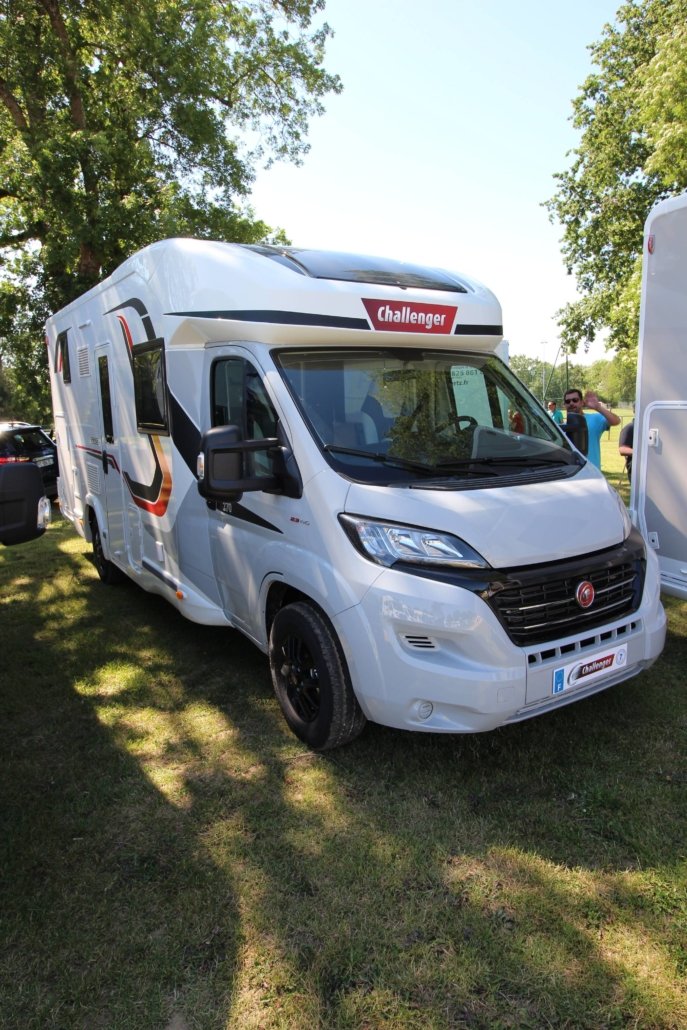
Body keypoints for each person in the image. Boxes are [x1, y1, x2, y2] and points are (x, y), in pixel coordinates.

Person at [562, 388, 620, 468]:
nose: (571, 403)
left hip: (592, 472)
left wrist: (598, 407)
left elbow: (616, 421)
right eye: (568, 401)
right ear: (564, 405)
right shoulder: (561, 427)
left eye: (575, 400)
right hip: (571, 472)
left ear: (582, 402)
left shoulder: (595, 418)